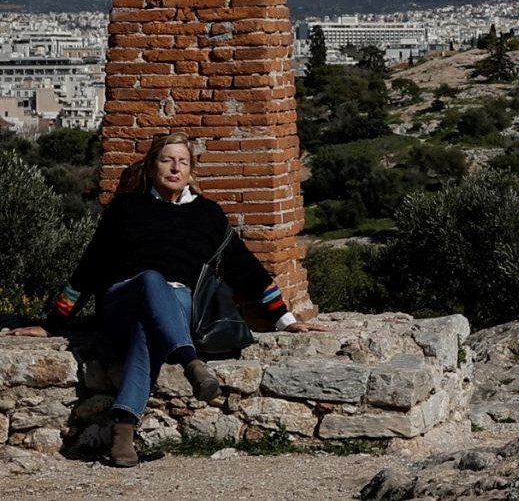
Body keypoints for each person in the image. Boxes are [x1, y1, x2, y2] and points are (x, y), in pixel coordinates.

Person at [2, 134, 329, 466]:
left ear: (190, 171)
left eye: (183, 162)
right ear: (151, 166)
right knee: (151, 279)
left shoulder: (207, 214)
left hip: (175, 306)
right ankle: (191, 363)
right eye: (167, 160)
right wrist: (52, 324)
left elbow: (247, 270)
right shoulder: (127, 208)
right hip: (123, 299)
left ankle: (123, 432)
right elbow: (90, 267)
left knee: (149, 326)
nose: (175, 168)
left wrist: (286, 320)